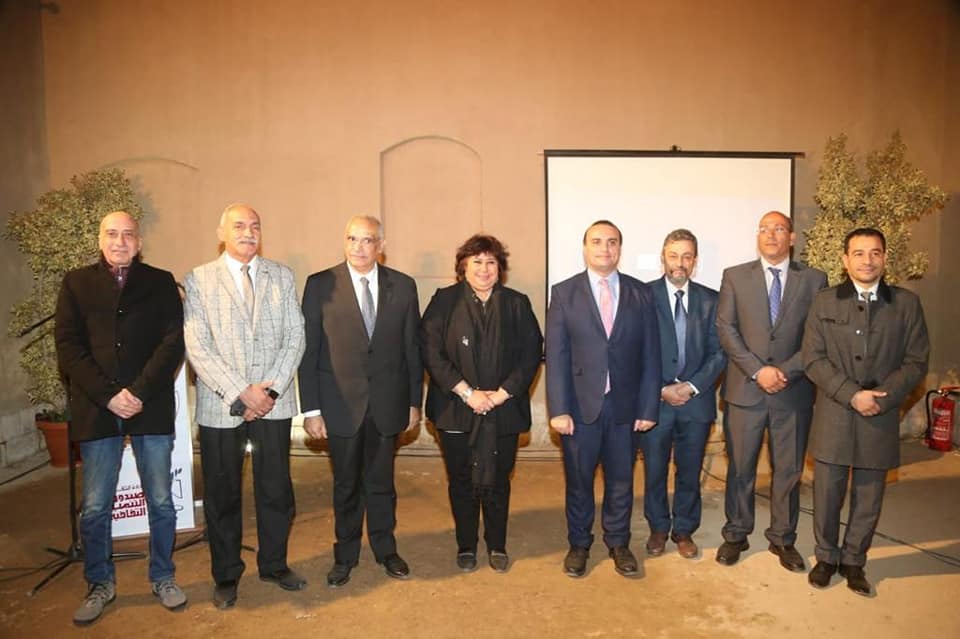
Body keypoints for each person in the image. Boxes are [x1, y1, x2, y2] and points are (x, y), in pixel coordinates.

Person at [55, 211, 186, 626]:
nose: (120, 241)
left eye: (128, 234)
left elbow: (173, 342)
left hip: (150, 405)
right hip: (97, 408)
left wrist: (138, 393)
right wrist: (109, 396)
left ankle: (163, 576)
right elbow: (69, 347)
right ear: (100, 240)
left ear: (139, 242)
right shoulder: (76, 283)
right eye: (112, 234)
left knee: (161, 501)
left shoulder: (161, 282)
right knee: (95, 506)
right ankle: (99, 583)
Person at [183, 203, 306, 609]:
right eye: (238, 226)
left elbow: (295, 336)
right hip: (221, 405)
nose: (248, 232)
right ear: (222, 233)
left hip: (273, 403)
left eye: (255, 226)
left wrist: (269, 393)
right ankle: (226, 574)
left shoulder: (281, 276)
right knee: (222, 494)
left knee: (276, 489)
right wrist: (241, 392)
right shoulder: (199, 279)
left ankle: (274, 564)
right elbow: (198, 346)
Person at [802, 228, 929, 596]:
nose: (867, 260)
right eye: (858, 253)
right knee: (827, 492)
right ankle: (827, 557)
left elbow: (916, 361)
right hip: (835, 413)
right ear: (845, 260)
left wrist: (880, 399)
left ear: (885, 258)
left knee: (870, 495)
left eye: (875, 253)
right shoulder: (824, 302)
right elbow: (813, 358)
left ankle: (855, 560)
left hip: (880, 415)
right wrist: (852, 394)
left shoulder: (906, 304)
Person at [298, 215, 423, 588]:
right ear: (344, 241)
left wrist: (413, 402)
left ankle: (386, 550)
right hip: (339, 406)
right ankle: (345, 556)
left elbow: (412, 349)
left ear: (380, 246)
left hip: (387, 404)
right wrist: (312, 410)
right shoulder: (320, 284)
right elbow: (309, 351)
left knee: (382, 483)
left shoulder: (403, 286)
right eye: (352, 238)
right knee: (346, 485)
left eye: (367, 240)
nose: (359, 247)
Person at [420, 234, 543, 573]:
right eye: (477, 262)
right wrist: (467, 393)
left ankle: (497, 544)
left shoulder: (517, 303)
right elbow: (431, 351)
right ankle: (466, 545)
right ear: (463, 266)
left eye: (491, 262)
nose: (484, 269)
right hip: (455, 408)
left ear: (500, 268)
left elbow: (531, 353)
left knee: (499, 479)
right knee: (461, 480)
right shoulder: (444, 301)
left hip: (504, 408)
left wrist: (501, 394)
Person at [545, 219, 661, 578]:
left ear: (620, 249)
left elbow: (651, 354)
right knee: (579, 481)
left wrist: (648, 407)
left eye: (612, 242)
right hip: (580, 408)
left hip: (625, 407)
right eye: (596, 241)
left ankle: (618, 543)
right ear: (585, 248)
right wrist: (559, 409)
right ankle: (579, 544)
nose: (604, 248)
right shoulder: (564, 293)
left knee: (621, 480)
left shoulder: (641, 293)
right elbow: (557, 355)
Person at [715, 210, 827, 571]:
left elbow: (817, 336)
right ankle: (736, 532)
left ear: (791, 237)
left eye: (779, 229)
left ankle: (782, 537)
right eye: (764, 229)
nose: (771, 234)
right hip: (745, 392)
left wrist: (785, 371)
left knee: (789, 470)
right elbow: (726, 329)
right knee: (741, 468)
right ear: (757, 236)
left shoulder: (814, 279)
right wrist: (758, 370)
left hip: (792, 393)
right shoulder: (735, 276)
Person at [638, 229, 726, 559]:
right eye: (674, 255)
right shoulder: (643, 296)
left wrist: (690, 387)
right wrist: (661, 389)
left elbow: (719, 352)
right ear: (663, 258)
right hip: (655, 402)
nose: (680, 263)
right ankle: (659, 527)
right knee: (655, 471)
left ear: (695, 261)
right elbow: (634, 350)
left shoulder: (712, 299)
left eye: (687, 256)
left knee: (690, 471)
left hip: (696, 403)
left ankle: (684, 530)